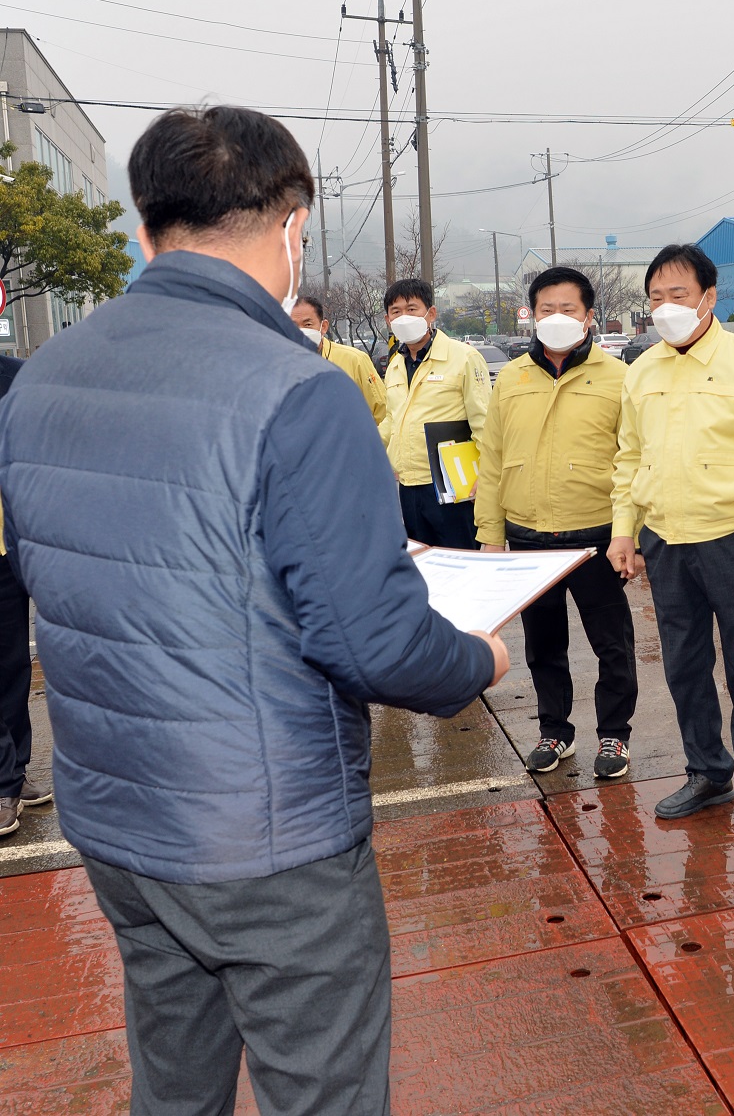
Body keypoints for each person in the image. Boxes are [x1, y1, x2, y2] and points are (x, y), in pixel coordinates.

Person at [0, 105, 510, 1115]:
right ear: (292, 230)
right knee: (319, 1090)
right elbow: (371, 640)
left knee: (176, 1077)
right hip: (261, 831)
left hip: (117, 813)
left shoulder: (45, 376)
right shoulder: (297, 387)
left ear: (146, 229)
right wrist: (475, 662)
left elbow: (95, 562)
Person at [608, 244, 734, 839]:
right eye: (657, 298)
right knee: (684, 665)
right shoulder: (641, 371)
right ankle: (707, 771)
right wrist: (625, 529)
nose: (666, 308)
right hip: (667, 541)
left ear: (708, 298)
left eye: (679, 295)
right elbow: (629, 457)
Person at [477, 266, 637, 780]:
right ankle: (555, 732)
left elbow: (633, 460)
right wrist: (491, 536)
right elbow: (493, 459)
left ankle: (614, 736)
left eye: (568, 309)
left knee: (612, 643)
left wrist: (626, 533)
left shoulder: (618, 379)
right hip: (528, 538)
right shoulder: (512, 380)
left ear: (590, 316)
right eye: (546, 309)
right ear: (532, 315)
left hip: (594, 538)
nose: (557, 318)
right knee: (543, 645)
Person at [378, 278, 491, 549]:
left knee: (463, 565)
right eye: (396, 311)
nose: (404, 317)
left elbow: (485, 422)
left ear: (431, 313)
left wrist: (487, 477)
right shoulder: (395, 364)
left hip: (455, 487)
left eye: (411, 308)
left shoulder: (463, 357)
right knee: (424, 569)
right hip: (409, 485)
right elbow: (393, 420)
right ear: (387, 319)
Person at [0, 354, 49, 839]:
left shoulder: (15, 378)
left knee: (13, 667)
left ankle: (14, 771)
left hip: (4, 550)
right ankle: (4, 781)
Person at [291, 294, 387, 426]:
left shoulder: (355, 360)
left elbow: (383, 413)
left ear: (323, 326)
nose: (301, 331)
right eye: (293, 326)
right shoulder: (277, 367)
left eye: (307, 324)